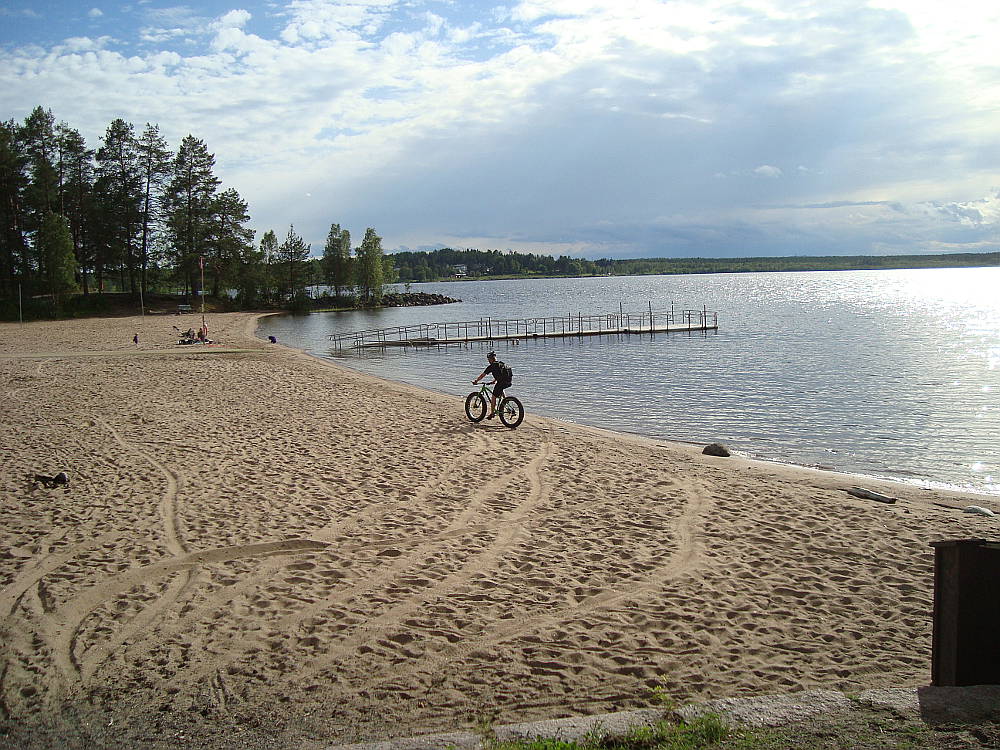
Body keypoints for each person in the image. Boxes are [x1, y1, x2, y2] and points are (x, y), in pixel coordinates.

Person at [472, 351, 512, 419]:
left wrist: (476, 381)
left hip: (502, 382)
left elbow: (482, 375)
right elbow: (500, 374)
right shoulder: (501, 363)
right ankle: (506, 403)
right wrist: (494, 381)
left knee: (493, 396)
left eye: (488, 360)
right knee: (500, 388)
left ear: (490, 359)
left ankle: (492, 413)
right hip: (509, 381)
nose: (488, 361)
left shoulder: (491, 366)